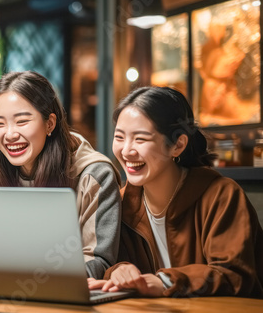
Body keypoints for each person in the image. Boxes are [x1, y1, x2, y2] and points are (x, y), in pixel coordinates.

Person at [89, 86, 263, 297]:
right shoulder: (124, 203)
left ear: (178, 145)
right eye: (119, 137)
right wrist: (118, 271)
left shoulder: (222, 196)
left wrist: (165, 282)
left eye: (140, 139)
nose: (126, 151)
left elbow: (234, 276)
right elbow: (116, 268)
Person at [0, 71, 122, 280]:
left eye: (21, 121)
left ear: (50, 124)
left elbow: (99, 262)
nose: (9, 134)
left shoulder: (94, 174)